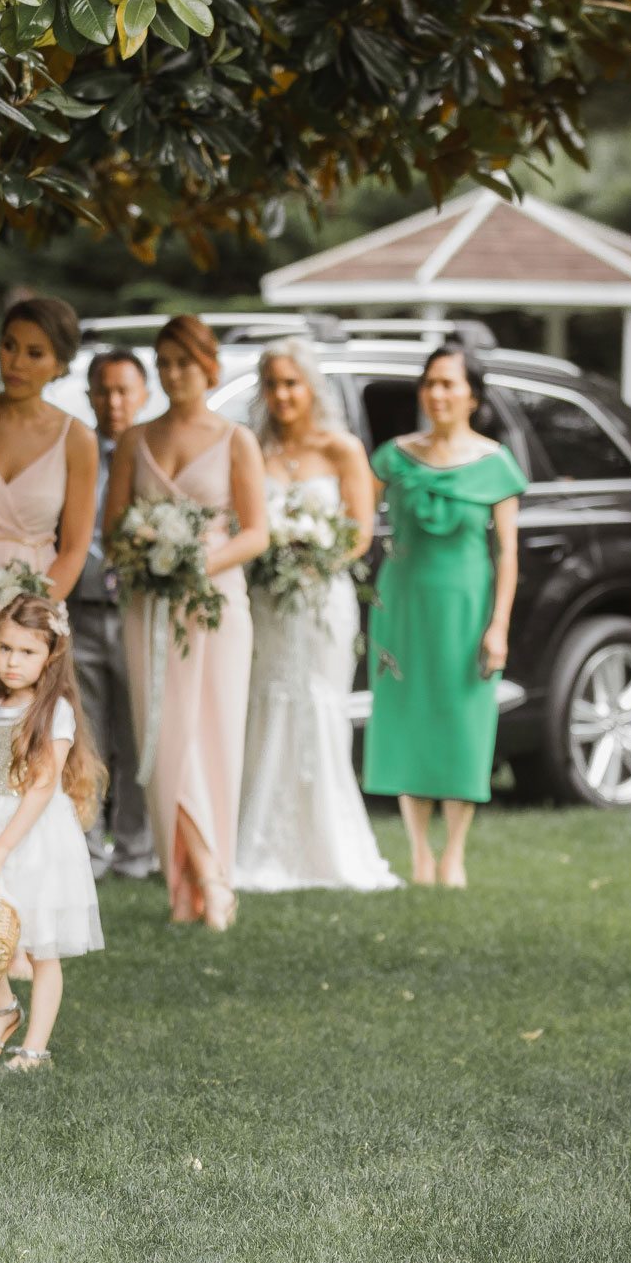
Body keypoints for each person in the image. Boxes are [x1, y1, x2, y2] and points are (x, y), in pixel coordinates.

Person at [105, 315, 268, 929]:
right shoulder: (134, 441)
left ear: (209, 366)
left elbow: (256, 532)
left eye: (185, 363)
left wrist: (193, 563)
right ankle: (195, 881)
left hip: (216, 604)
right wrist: (150, 557)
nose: (174, 374)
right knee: (164, 736)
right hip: (149, 608)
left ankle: (210, 878)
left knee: (214, 738)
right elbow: (113, 528)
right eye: (165, 363)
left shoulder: (236, 440)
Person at [234, 338, 400, 893]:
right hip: (269, 601)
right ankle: (258, 839)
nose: (282, 395)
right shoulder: (254, 450)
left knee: (319, 703)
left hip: (324, 599)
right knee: (268, 702)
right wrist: (275, 554)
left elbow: (359, 530)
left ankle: (327, 844)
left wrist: (315, 556)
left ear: (310, 388)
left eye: (291, 383)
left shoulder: (342, 449)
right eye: (273, 384)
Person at [363, 340, 526, 888]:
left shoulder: (495, 464)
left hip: (467, 606)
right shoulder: (392, 456)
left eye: (449, 383)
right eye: (430, 382)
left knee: (462, 724)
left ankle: (454, 852)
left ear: (472, 396)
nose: (437, 393)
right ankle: (417, 853)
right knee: (409, 721)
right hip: (403, 605)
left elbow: (507, 552)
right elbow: (355, 522)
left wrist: (499, 623)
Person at [0, 594, 104, 1072]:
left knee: (40, 944)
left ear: (51, 655)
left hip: (33, 836)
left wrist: (0, 847)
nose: (12, 662)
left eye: (27, 652)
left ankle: (34, 1047)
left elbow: (41, 786)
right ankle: (2, 1009)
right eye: (4, 649)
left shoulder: (52, 710)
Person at [0, 296, 100, 597]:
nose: (16, 363)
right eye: (9, 346)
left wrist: (31, 616)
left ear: (60, 365)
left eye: (34, 353)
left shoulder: (77, 439)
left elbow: (75, 549)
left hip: (34, 600)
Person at [73, 348, 154, 880]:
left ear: (145, 396)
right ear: (89, 396)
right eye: (104, 390)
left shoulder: (154, 453)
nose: (115, 401)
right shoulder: (73, 454)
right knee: (85, 737)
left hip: (135, 608)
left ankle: (136, 849)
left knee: (137, 732)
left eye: (125, 390)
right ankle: (85, 849)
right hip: (78, 608)